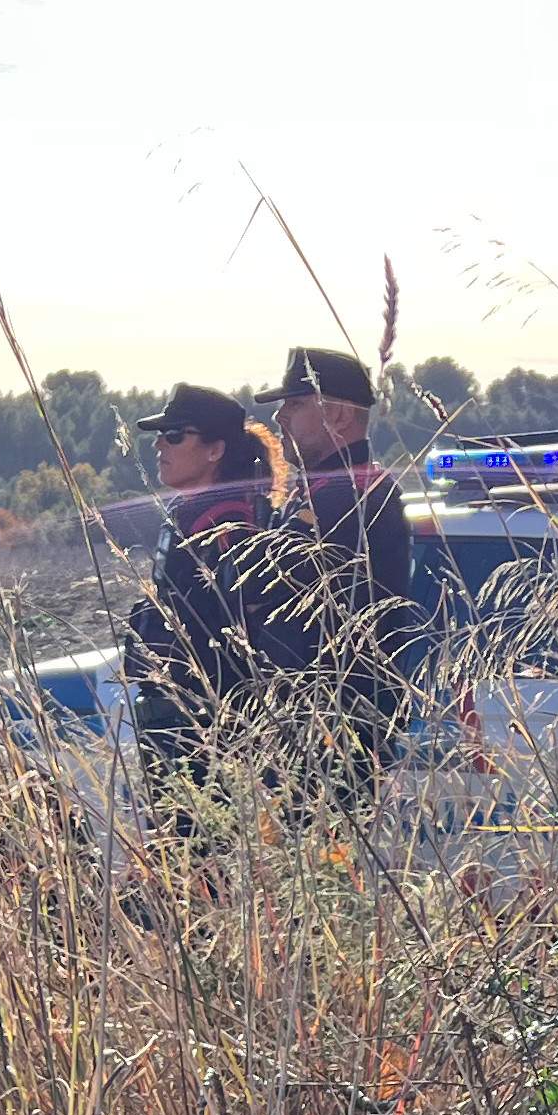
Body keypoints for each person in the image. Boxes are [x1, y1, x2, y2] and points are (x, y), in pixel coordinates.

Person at [260, 347, 420, 801]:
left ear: (341, 416)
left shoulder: (354, 491)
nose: (279, 417)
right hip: (305, 719)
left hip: (337, 722)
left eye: (294, 404)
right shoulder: (321, 489)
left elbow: (278, 591)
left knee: (324, 859)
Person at [121, 382, 284, 818]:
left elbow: (239, 639)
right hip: (174, 721)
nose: (160, 445)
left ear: (215, 451)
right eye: (160, 435)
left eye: (176, 436)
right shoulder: (190, 515)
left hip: (204, 731)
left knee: (198, 865)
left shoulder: (230, 525)